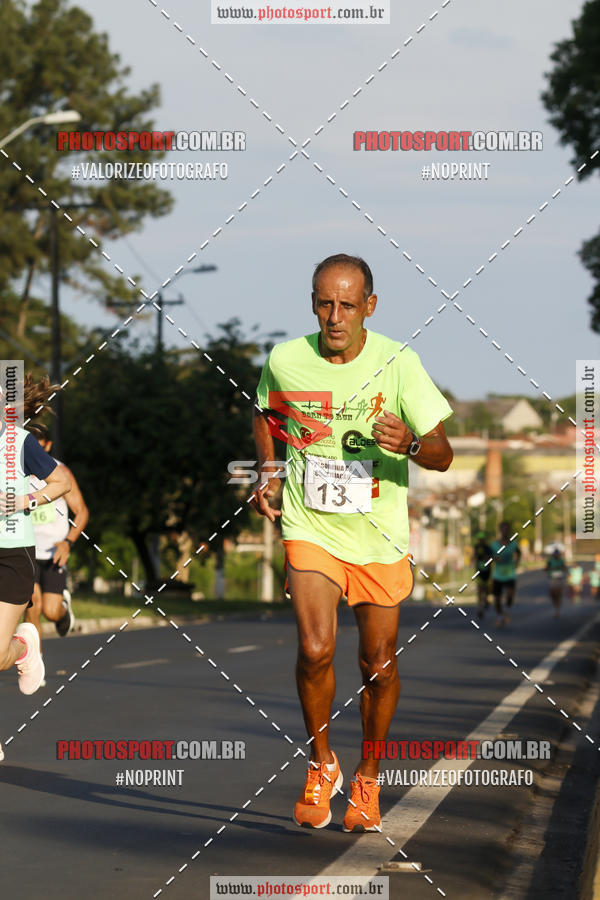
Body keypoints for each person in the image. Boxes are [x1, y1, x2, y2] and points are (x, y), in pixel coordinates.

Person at [252, 254, 453, 831]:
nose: (334, 316)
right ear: (312, 302)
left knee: (378, 665)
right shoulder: (286, 359)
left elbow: (443, 455)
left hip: (379, 534)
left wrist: (411, 443)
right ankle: (322, 764)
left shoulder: (398, 363)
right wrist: (267, 469)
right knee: (315, 649)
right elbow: (266, 414)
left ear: (369, 306)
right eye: (324, 303)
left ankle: (368, 775)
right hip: (309, 524)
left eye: (346, 304)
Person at [0, 374, 71, 759]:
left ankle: (24, 647)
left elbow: (60, 482)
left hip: (12, 552)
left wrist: (26, 500)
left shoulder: (18, 442)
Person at [24, 423, 89, 641]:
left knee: (50, 612)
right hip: (26, 550)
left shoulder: (61, 472)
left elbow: (81, 512)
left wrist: (67, 543)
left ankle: (63, 607)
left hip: (54, 551)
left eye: (39, 449)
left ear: (48, 446)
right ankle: (35, 671)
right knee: (33, 605)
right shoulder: (14, 472)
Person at [490, 522, 521, 627]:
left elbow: (519, 553)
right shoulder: (494, 545)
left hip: (510, 574)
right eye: (503, 529)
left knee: (510, 594)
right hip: (498, 575)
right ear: (500, 530)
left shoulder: (513, 544)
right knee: (497, 599)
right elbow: (488, 557)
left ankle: (507, 609)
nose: (505, 531)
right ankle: (499, 616)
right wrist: (494, 559)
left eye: (507, 529)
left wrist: (517, 562)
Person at [473, 531, 493, 619]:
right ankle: (480, 609)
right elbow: (473, 558)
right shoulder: (476, 547)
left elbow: (490, 558)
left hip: (487, 571)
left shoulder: (488, 548)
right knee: (480, 590)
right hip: (479, 571)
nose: (480, 540)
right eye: (479, 539)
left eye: (481, 539)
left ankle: (486, 599)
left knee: (486, 588)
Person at [546, 548, 567, 617]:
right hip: (552, 579)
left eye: (557, 554)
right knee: (552, 594)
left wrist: (561, 568)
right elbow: (546, 568)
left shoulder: (561, 561)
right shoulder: (550, 561)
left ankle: (557, 609)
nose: (556, 556)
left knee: (558, 594)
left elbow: (565, 568)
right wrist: (549, 569)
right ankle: (555, 605)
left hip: (559, 580)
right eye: (555, 554)